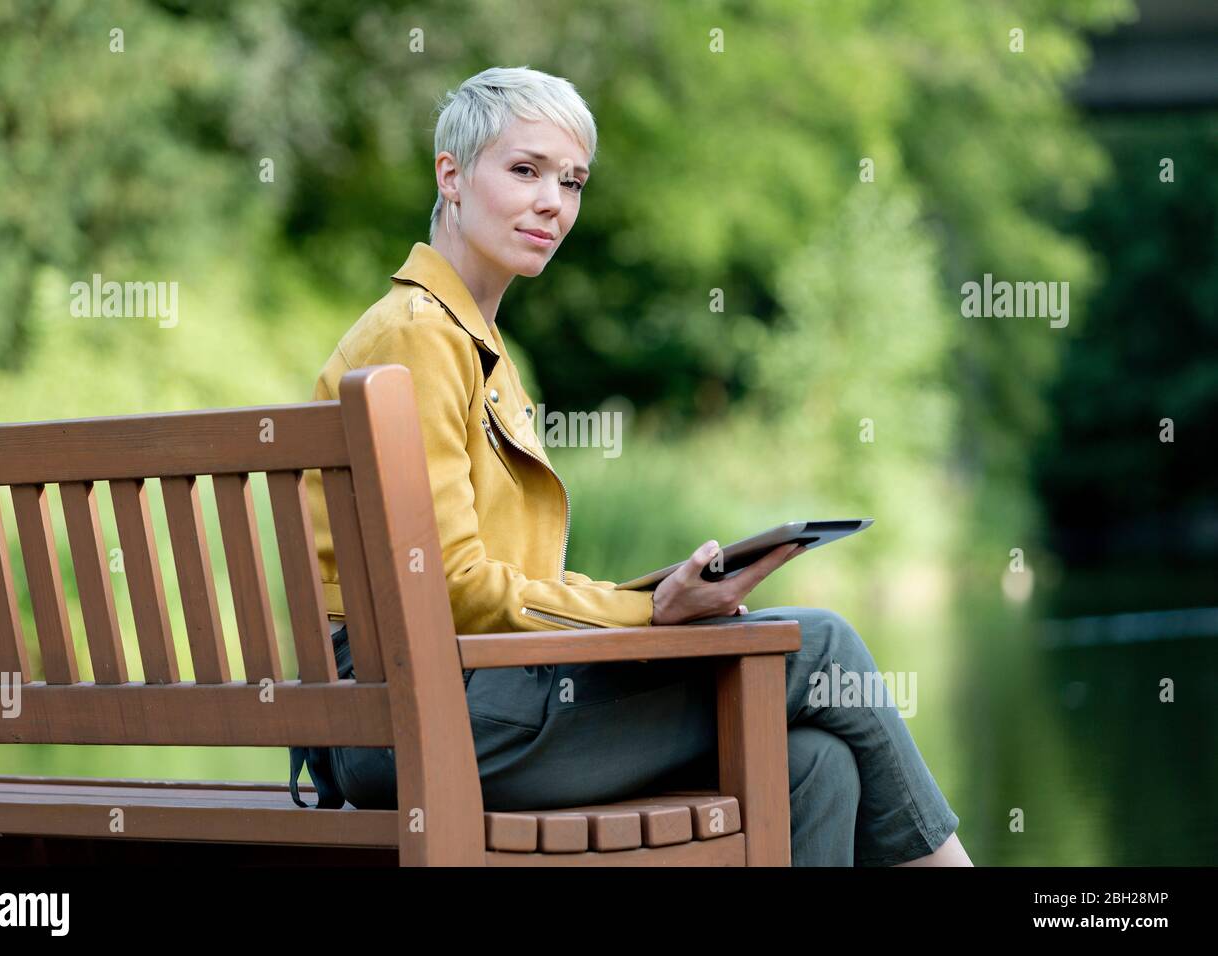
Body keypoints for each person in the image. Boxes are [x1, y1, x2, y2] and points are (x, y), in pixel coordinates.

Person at [290, 65, 970, 866]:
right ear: (451, 175)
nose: (554, 202)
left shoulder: (478, 349)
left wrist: (658, 600)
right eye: (525, 170)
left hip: (463, 707)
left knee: (814, 766)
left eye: (572, 181)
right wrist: (649, 612)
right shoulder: (418, 334)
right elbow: (452, 588)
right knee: (817, 647)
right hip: (412, 727)